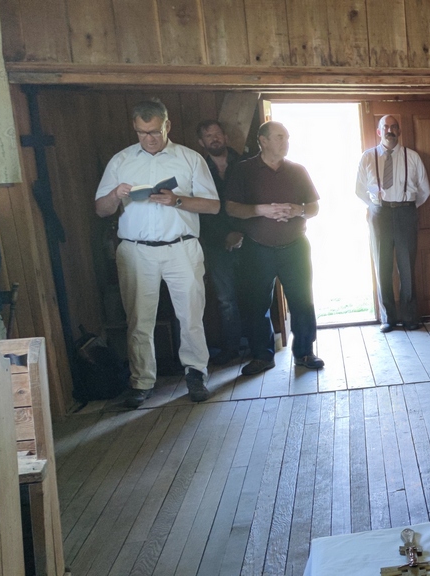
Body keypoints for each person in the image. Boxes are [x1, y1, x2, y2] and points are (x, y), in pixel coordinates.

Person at [94, 100, 220, 407]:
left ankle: (196, 374)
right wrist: (116, 194)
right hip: (136, 251)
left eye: (154, 131)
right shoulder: (121, 161)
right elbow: (101, 209)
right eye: (142, 132)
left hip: (181, 247)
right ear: (135, 128)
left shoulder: (189, 158)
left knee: (191, 315)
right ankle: (141, 382)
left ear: (167, 126)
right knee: (139, 319)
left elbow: (213, 205)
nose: (148, 138)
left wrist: (177, 201)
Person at [225, 121, 325, 375]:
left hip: (295, 246)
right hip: (257, 247)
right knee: (257, 303)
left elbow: (314, 207)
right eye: (280, 137)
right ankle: (262, 356)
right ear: (263, 140)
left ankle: (304, 352)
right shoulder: (244, 170)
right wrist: (261, 210)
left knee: (302, 300)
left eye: (287, 137)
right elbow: (231, 208)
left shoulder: (297, 170)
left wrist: (297, 210)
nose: (285, 142)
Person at [355, 114, 430, 333]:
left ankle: (410, 317)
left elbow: (424, 190)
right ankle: (388, 318)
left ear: (399, 131)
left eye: (394, 127)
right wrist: (375, 206)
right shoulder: (368, 157)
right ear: (379, 132)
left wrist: (406, 206)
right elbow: (360, 189)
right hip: (379, 213)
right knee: (382, 264)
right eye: (385, 127)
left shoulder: (412, 157)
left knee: (407, 265)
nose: (390, 130)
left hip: (406, 211)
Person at [195, 119, 247, 365]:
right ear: (201, 142)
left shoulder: (245, 164)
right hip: (216, 242)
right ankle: (232, 348)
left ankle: (260, 346)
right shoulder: (198, 170)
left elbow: (253, 199)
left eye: (217, 134)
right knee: (226, 299)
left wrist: (241, 233)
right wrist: (224, 236)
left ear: (226, 137)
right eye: (208, 136)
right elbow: (201, 212)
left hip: (249, 238)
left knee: (255, 292)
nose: (214, 138)